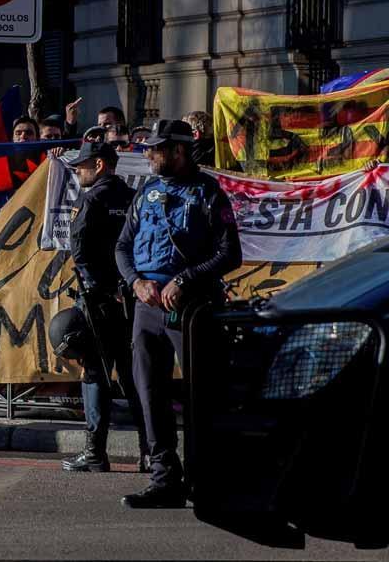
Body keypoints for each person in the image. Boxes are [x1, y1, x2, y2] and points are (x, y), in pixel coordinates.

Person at [115, 119, 243, 508]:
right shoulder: (146, 192)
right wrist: (137, 282)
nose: (148, 154)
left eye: (156, 149)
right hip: (146, 308)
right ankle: (164, 479)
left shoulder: (208, 193)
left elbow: (229, 253)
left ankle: (206, 479)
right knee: (150, 392)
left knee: (201, 395)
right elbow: (122, 247)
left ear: (178, 151)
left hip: (192, 309)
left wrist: (184, 280)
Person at [58, 141, 150, 474]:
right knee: (135, 376)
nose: (77, 172)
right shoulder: (133, 197)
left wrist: (98, 289)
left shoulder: (91, 199)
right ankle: (148, 452)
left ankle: (95, 452)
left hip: (100, 300)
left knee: (94, 373)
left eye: (81, 166)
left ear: (99, 165)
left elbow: (79, 249)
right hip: (133, 297)